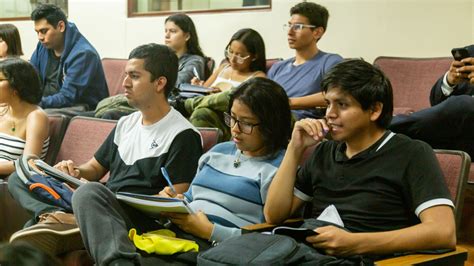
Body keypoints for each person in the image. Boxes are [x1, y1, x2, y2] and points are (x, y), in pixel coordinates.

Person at [8, 43, 203, 256]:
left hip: (136, 216)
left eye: (135, 77)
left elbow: (175, 200)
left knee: (88, 194)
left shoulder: (183, 134)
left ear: (159, 83)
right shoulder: (126, 123)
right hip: (98, 200)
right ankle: (60, 217)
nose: (125, 83)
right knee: (20, 175)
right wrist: (72, 171)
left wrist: (97, 195)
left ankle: (72, 221)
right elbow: (93, 169)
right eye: (126, 75)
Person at [72, 77, 292, 265]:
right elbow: (191, 197)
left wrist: (210, 231)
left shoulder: (281, 168)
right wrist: (172, 200)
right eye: (232, 118)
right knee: (89, 193)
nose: (234, 129)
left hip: (214, 247)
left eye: (246, 123)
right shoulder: (218, 151)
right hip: (174, 231)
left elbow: (272, 233)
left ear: (271, 125)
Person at [264, 59, 455, 257]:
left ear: (374, 110)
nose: (330, 114)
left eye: (342, 105)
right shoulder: (323, 152)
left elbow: (443, 232)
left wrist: (354, 243)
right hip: (311, 255)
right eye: (327, 104)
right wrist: (295, 149)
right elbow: (274, 215)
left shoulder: (411, 153)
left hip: (366, 259)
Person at [95, 13, 207, 120]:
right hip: (146, 100)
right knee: (84, 115)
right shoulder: (162, 58)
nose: (167, 35)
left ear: (187, 36)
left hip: (165, 105)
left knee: (109, 114)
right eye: (166, 31)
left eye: (173, 31)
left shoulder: (195, 61)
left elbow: (174, 83)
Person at [173, 28, 266, 141]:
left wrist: (221, 95)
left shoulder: (258, 77)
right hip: (207, 110)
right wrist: (199, 86)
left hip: (229, 121)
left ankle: (185, 105)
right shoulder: (223, 67)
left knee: (233, 95)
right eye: (230, 52)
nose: (233, 59)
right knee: (201, 112)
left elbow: (245, 106)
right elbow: (204, 91)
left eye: (240, 55)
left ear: (254, 57)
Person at [389, 45, 474, 158]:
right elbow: (436, 103)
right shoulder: (471, 53)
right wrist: (449, 82)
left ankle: (385, 124)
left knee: (464, 104)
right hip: (454, 137)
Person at [267, 2, 343, 120]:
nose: (289, 32)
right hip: (268, 121)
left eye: (298, 27)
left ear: (317, 32)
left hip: (302, 125)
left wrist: (288, 103)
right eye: (289, 26)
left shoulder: (329, 61)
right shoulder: (278, 67)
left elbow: (339, 94)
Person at [29, 4, 108, 114]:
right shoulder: (42, 46)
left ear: (61, 26)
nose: (40, 37)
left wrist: (36, 103)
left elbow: (67, 97)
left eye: (44, 31)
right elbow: (30, 77)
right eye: (37, 32)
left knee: (37, 115)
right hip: (50, 103)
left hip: (83, 107)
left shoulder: (83, 54)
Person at [0, 58, 49, 178]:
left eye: (0, 80)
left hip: (12, 181)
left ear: (17, 86)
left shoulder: (36, 117)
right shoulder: (2, 110)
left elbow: (29, 163)